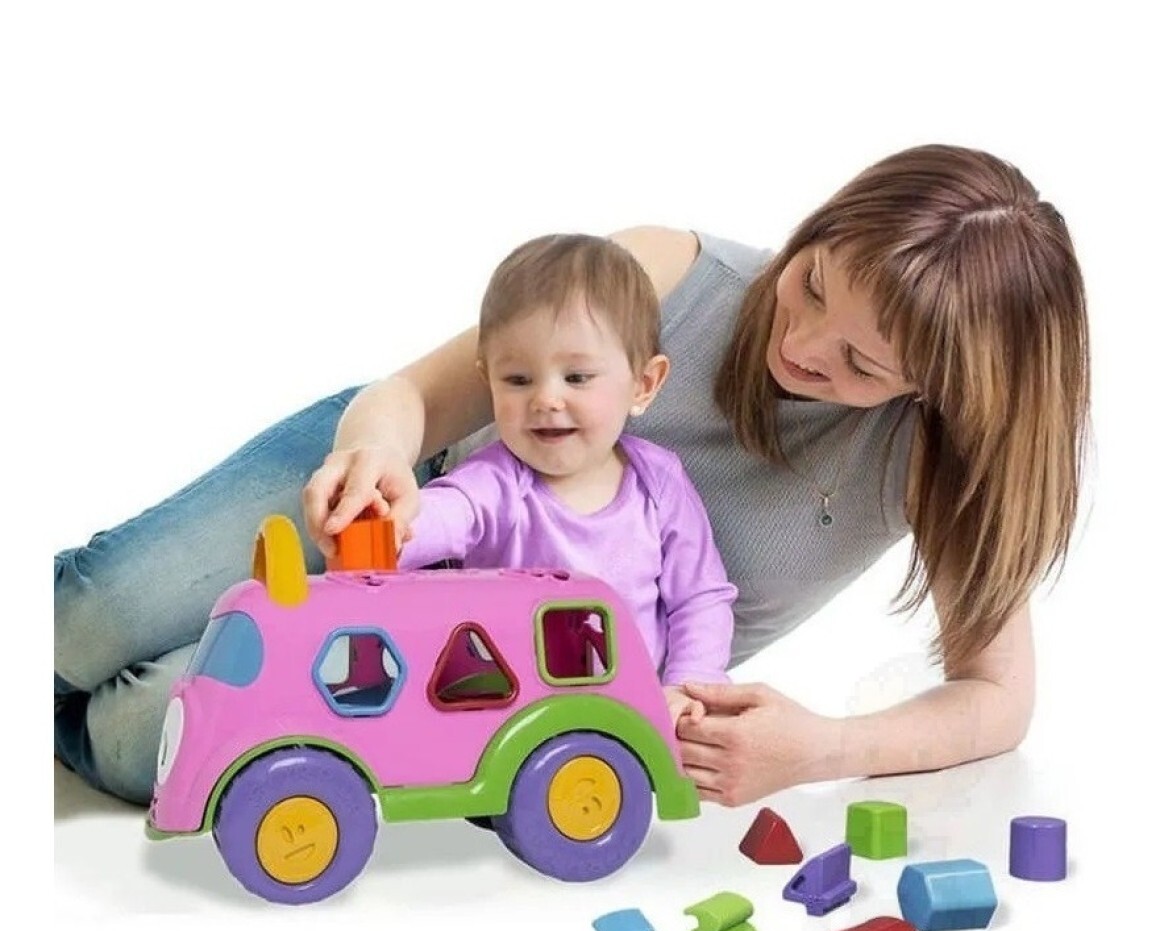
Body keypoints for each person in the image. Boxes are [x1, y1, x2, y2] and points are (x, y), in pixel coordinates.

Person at [55, 143, 1090, 809]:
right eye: (811, 281)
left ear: (939, 387)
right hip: (413, 492)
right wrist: (372, 455)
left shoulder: (931, 463)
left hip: (503, 664)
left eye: (860, 362)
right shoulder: (672, 273)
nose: (803, 343)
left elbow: (997, 698)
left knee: (144, 732)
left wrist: (819, 747)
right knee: (88, 618)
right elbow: (413, 395)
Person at [386, 234, 737, 724]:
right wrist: (389, 524)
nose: (546, 400)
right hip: (507, 720)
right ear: (489, 381)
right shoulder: (495, 483)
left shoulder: (658, 483)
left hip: (629, 719)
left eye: (576, 378)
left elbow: (699, 598)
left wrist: (686, 684)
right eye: (518, 380)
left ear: (643, 384)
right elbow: (442, 515)